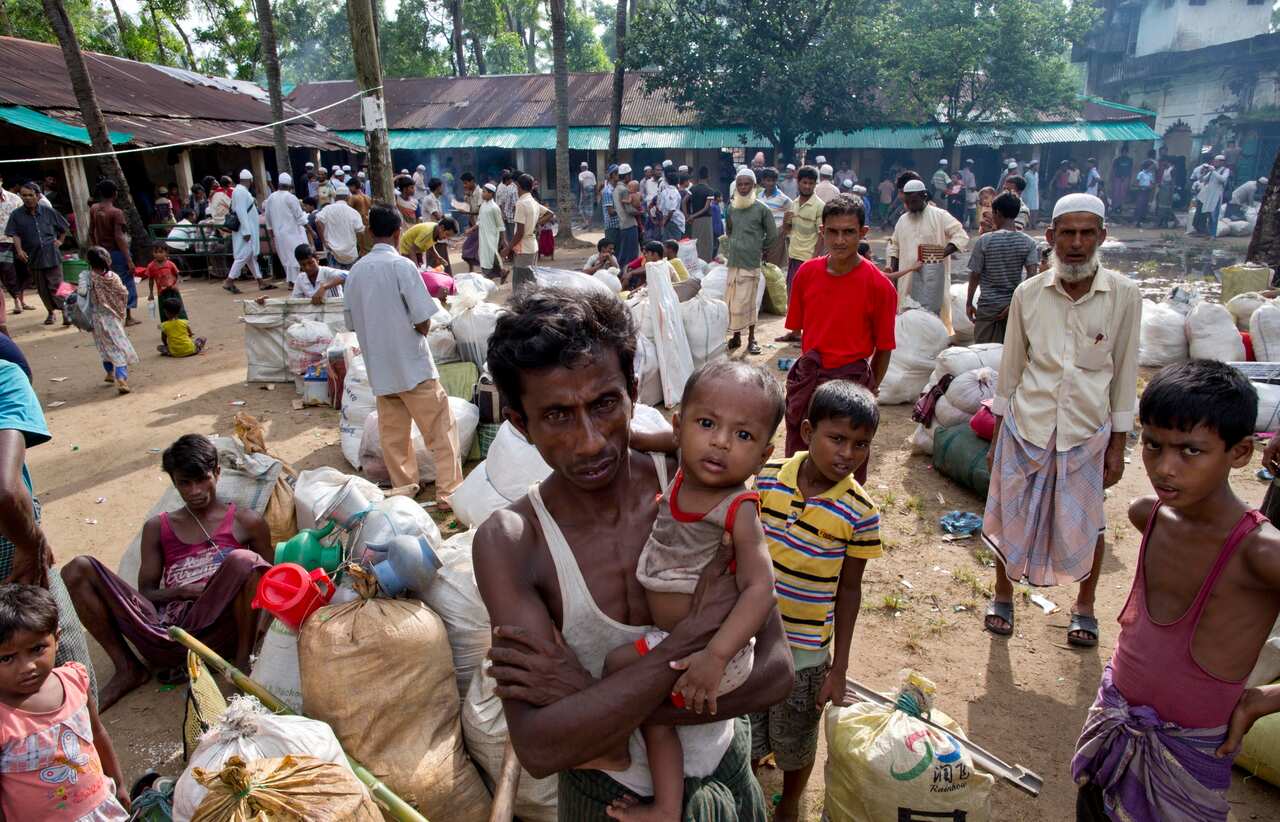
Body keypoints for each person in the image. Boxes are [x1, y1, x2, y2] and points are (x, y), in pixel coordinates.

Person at [473, 288, 791, 819]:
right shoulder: (513, 543)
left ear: (632, 392)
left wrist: (594, 699)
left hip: (725, 774)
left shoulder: (703, 487)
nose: (592, 441)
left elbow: (776, 670)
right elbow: (542, 746)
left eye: (604, 405)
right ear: (520, 425)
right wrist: (690, 642)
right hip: (611, 805)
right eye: (557, 416)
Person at [1074, 361, 1280, 822]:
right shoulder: (1149, 516)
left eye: (1190, 451)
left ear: (1241, 452)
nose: (1164, 468)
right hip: (1112, 725)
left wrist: (1262, 699)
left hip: (1188, 756)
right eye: (1152, 445)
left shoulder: (1261, 553)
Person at [599, 360, 782, 822]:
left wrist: (716, 654)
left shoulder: (737, 507)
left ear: (764, 455)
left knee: (644, 700)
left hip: (713, 651)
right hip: (678, 642)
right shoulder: (686, 469)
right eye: (707, 424)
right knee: (624, 677)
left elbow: (761, 589)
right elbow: (669, 441)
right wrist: (638, 439)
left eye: (743, 436)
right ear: (680, 427)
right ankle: (631, 764)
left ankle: (657, 797)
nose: (720, 442)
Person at [981, 193, 1141, 646]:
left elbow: (1125, 372)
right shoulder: (1028, 294)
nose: (1076, 243)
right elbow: (1010, 370)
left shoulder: (1124, 296)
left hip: (1086, 431)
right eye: (1067, 233)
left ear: (1101, 237)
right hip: (1027, 425)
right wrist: (996, 437)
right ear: (1050, 238)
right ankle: (1001, 594)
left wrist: (1117, 446)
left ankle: (1084, 607)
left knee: (1090, 522)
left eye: (1086, 233)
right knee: (1010, 514)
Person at [61, 434, 272, 710]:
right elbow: (147, 592)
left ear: (217, 473)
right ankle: (128, 668)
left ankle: (243, 662)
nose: (195, 490)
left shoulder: (246, 521)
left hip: (220, 632)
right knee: (78, 568)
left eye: (202, 479)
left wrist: (257, 631)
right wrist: (184, 591)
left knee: (244, 560)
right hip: (166, 633)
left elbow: (270, 584)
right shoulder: (158, 527)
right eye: (185, 483)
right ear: (174, 483)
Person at [752, 379, 882, 822]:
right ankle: (746, 793)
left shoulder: (860, 513)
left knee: (796, 741)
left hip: (805, 655)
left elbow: (849, 591)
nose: (847, 453)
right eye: (838, 438)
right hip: (750, 641)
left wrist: (838, 667)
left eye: (861, 444)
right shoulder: (768, 477)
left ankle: (790, 803)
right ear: (807, 433)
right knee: (746, 731)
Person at [345, 206, 462, 503]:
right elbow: (423, 318)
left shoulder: (355, 272)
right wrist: (418, 329)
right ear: (399, 233)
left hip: (380, 370)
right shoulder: (402, 267)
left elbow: (350, 323)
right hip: (413, 367)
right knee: (441, 432)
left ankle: (404, 490)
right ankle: (448, 493)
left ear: (370, 233)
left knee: (394, 439)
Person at [782, 195, 895, 467]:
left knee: (845, 461)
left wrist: (869, 388)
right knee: (800, 455)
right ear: (822, 232)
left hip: (851, 381)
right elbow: (802, 332)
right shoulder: (806, 274)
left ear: (863, 233)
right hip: (810, 378)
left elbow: (884, 348)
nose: (840, 240)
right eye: (833, 232)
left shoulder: (879, 286)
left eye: (848, 232)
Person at [0, 584, 130, 820]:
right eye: (7, 658)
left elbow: (97, 733)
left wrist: (118, 783)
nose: (27, 666)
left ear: (57, 638)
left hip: (100, 809)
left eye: (37, 648)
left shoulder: (74, 680)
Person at [886, 178, 968, 333]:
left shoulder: (940, 215)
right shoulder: (903, 220)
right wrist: (892, 268)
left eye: (914, 201)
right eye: (907, 202)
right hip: (907, 278)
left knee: (935, 319)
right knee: (908, 318)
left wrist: (938, 254)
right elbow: (894, 245)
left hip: (933, 278)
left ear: (924, 196)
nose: (910, 206)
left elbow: (961, 236)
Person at [965, 192, 1039, 344]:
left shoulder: (984, 241)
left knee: (983, 353)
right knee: (1012, 353)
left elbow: (975, 275)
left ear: (997, 212)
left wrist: (968, 302)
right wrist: (1014, 303)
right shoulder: (1029, 243)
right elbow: (1032, 277)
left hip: (987, 307)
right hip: (1014, 307)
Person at [724, 167, 778, 356]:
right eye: (740, 184)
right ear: (736, 186)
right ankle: (736, 337)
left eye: (747, 184)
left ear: (754, 186)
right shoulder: (731, 208)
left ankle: (752, 338)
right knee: (733, 302)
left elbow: (772, 235)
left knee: (749, 302)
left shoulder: (762, 209)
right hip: (734, 262)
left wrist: (758, 247)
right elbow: (729, 230)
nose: (744, 187)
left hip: (751, 263)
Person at [5, 181, 70, 326]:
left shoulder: (48, 211)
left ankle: (66, 311)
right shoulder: (16, 215)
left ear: (38, 196)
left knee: (57, 285)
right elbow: (15, 234)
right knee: (42, 288)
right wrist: (20, 250)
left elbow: (64, 227)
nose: (27, 198)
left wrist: (60, 241)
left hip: (52, 254)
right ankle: (51, 313)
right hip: (32, 256)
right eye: (24, 195)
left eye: (30, 195)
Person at [82, 247, 138, 395]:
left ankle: (109, 373)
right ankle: (121, 378)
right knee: (119, 346)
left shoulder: (87, 277)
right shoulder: (113, 277)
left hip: (96, 318)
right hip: (112, 318)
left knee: (104, 346)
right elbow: (123, 292)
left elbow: (81, 294)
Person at [88, 179, 138, 327]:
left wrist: (95, 248)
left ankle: (113, 315)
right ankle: (128, 316)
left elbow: (91, 231)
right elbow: (119, 237)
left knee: (106, 283)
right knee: (125, 283)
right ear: (115, 194)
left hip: (101, 252)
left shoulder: (94, 209)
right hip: (116, 252)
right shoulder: (116, 212)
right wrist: (128, 259)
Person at [222, 170, 274, 295]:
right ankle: (229, 281)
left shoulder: (240, 191)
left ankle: (260, 282)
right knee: (244, 256)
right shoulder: (240, 192)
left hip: (247, 229)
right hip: (246, 231)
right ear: (250, 181)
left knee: (251, 257)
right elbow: (241, 212)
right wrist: (246, 231)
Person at [263, 172, 309, 285]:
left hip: (279, 234)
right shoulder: (290, 197)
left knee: (285, 257)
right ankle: (294, 282)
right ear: (289, 186)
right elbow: (299, 216)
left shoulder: (271, 197)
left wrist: (270, 232)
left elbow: (267, 217)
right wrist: (310, 230)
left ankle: (291, 281)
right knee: (295, 256)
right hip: (293, 232)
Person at [0, 172, 32, 317]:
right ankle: (16, 301)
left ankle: (21, 299)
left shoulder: (14, 199)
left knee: (25, 271)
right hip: (1, 243)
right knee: (8, 272)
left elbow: (24, 218)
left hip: (19, 240)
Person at [504, 174, 543, 291]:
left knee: (520, 285)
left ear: (518, 186)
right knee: (531, 282)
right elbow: (549, 214)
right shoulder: (533, 201)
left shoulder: (521, 203)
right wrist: (534, 225)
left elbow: (520, 232)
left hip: (524, 248)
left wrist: (508, 248)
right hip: (532, 246)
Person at [315, 183, 364, 270]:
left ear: (335, 197)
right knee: (351, 280)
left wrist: (324, 241)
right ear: (348, 197)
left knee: (335, 279)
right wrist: (361, 249)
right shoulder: (353, 212)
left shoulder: (327, 209)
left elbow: (318, 221)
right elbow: (360, 231)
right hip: (350, 253)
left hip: (333, 251)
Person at [757, 168, 792, 270]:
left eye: (773, 180)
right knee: (761, 265)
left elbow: (791, 215)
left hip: (777, 236)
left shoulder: (784, 199)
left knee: (773, 267)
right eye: (768, 180)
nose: (771, 183)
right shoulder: (759, 196)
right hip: (761, 236)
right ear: (763, 181)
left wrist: (783, 231)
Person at [1193, 155, 1231, 238]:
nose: (1214, 163)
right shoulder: (1212, 170)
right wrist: (1203, 172)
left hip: (1217, 195)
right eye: (1214, 161)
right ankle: (1209, 233)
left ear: (1222, 162)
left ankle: (1213, 235)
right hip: (1209, 195)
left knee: (1214, 215)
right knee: (1209, 214)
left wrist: (1213, 172)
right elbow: (1202, 180)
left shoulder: (1225, 170)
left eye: (1216, 161)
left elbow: (1223, 180)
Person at [144, 244, 184, 321]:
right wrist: (151, 293)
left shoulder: (170, 264)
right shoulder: (151, 266)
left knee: (178, 309)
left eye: (161, 252)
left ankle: (182, 326)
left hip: (173, 291)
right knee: (165, 312)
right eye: (156, 252)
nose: (158, 254)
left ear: (166, 253)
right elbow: (151, 280)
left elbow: (177, 275)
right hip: (162, 293)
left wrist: (175, 285)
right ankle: (166, 328)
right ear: (152, 253)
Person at [613, 165, 642, 269]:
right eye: (630, 175)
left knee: (624, 253)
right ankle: (630, 278)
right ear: (626, 177)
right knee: (632, 255)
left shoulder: (616, 189)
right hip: (629, 224)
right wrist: (641, 212)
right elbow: (629, 210)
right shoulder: (624, 190)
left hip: (623, 224)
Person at [477, 182, 507, 280]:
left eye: (484, 192)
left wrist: (503, 239)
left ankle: (493, 274)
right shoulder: (483, 205)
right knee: (486, 254)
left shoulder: (495, 208)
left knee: (491, 254)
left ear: (491, 194)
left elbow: (500, 225)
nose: (482, 194)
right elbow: (479, 221)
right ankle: (500, 272)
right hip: (483, 235)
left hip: (492, 235)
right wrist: (471, 229)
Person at [657, 172, 685, 242]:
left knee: (667, 244)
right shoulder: (674, 192)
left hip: (667, 220)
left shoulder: (664, 192)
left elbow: (660, 207)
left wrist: (664, 220)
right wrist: (665, 221)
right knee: (674, 245)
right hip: (673, 221)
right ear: (677, 181)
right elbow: (671, 210)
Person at [1110, 145, 1133, 218]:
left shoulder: (1130, 160)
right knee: (1116, 193)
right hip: (1117, 178)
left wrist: (1129, 179)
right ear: (1121, 152)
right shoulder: (1117, 159)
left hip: (1126, 178)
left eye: (1125, 152)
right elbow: (1114, 170)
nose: (1124, 153)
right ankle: (1114, 208)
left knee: (1123, 193)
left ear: (1127, 152)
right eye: (1123, 152)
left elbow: (1130, 170)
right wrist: (1113, 178)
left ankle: (1120, 208)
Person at [496, 170, 519, 242]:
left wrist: (503, 213)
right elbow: (514, 204)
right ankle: (511, 250)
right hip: (511, 216)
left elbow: (502, 202)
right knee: (512, 234)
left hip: (507, 215)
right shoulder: (512, 188)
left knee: (509, 235)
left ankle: (510, 250)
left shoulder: (510, 187)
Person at [1131, 160, 1156, 228]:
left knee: (1145, 206)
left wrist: (1150, 187)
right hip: (1141, 191)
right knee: (1139, 206)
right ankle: (1136, 220)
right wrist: (1142, 186)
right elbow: (1136, 183)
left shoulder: (1150, 175)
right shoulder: (1141, 173)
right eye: (1151, 166)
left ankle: (1141, 220)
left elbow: (1152, 184)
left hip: (1147, 191)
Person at [1023, 159, 1040, 225]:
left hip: (1035, 194)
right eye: (1036, 166)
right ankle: (1028, 224)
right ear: (1033, 166)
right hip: (1028, 194)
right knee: (1029, 210)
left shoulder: (1037, 174)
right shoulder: (1027, 175)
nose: (1037, 167)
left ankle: (1033, 224)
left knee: (1035, 209)